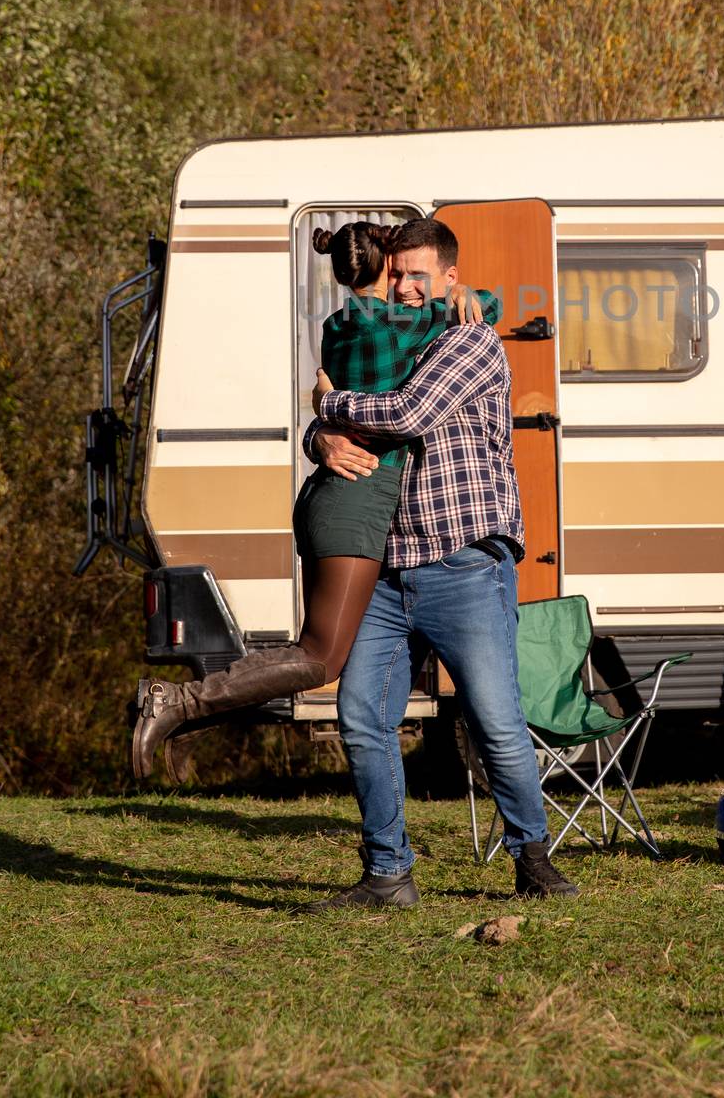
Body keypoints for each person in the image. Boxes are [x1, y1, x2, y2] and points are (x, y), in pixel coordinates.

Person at [130, 219, 497, 781]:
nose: (406, 285)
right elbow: (487, 312)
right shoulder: (397, 325)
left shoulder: (336, 324)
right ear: (385, 271)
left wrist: (321, 425)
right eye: (399, 273)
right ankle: (177, 704)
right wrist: (463, 292)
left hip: (331, 499)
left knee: (323, 651)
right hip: (358, 499)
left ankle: (185, 710)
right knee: (321, 656)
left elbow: (340, 407)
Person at [298, 216, 579, 911]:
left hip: (463, 564)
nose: (404, 286)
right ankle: (388, 874)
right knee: (363, 718)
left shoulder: (471, 340)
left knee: (494, 721)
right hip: (385, 571)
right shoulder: (386, 338)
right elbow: (356, 421)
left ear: (450, 279)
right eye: (396, 275)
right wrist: (321, 438)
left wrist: (326, 403)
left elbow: (407, 414)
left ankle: (532, 858)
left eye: (419, 275)